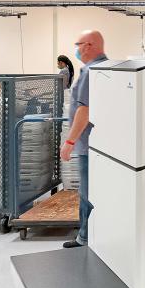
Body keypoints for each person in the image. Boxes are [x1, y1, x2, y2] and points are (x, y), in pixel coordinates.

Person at [61, 29, 107, 249]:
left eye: (78, 44)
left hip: (88, 144)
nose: (77, 49)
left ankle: (85, 238)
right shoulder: (104, 68)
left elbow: (84, 110)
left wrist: (69, 142)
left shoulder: (91, 71)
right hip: (98, 143)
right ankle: (93, 235)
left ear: (89, 45)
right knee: (94, 192)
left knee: (88, 193)